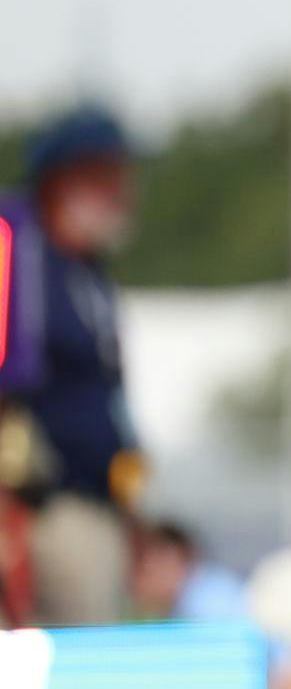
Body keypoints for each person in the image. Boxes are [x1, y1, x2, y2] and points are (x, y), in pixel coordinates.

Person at [0, 103, 145, 625]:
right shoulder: (15, 249)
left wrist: (133, 504)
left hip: (94, 502)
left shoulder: (89, 275)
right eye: (107, 177)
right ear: (64, 181)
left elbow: (111, 405)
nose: (122, 193)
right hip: (36, 507)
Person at [131, 519, 250, 622]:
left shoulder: (208, 599)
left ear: (174, 555)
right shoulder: (189, 596)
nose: (139, 581)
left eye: (146, 569)